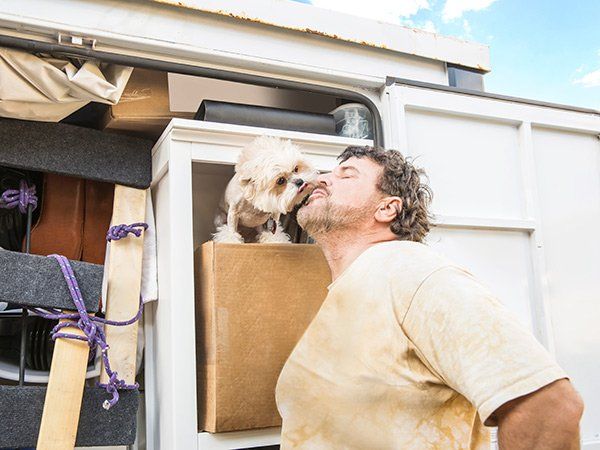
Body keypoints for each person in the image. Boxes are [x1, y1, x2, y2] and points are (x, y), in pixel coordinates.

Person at [275, 145, 584, 449]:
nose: (323, 178)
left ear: (387, 208)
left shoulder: (411, 272)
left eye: (347, 175)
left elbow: (550, 406)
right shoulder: (351, 287)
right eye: (331, 171)